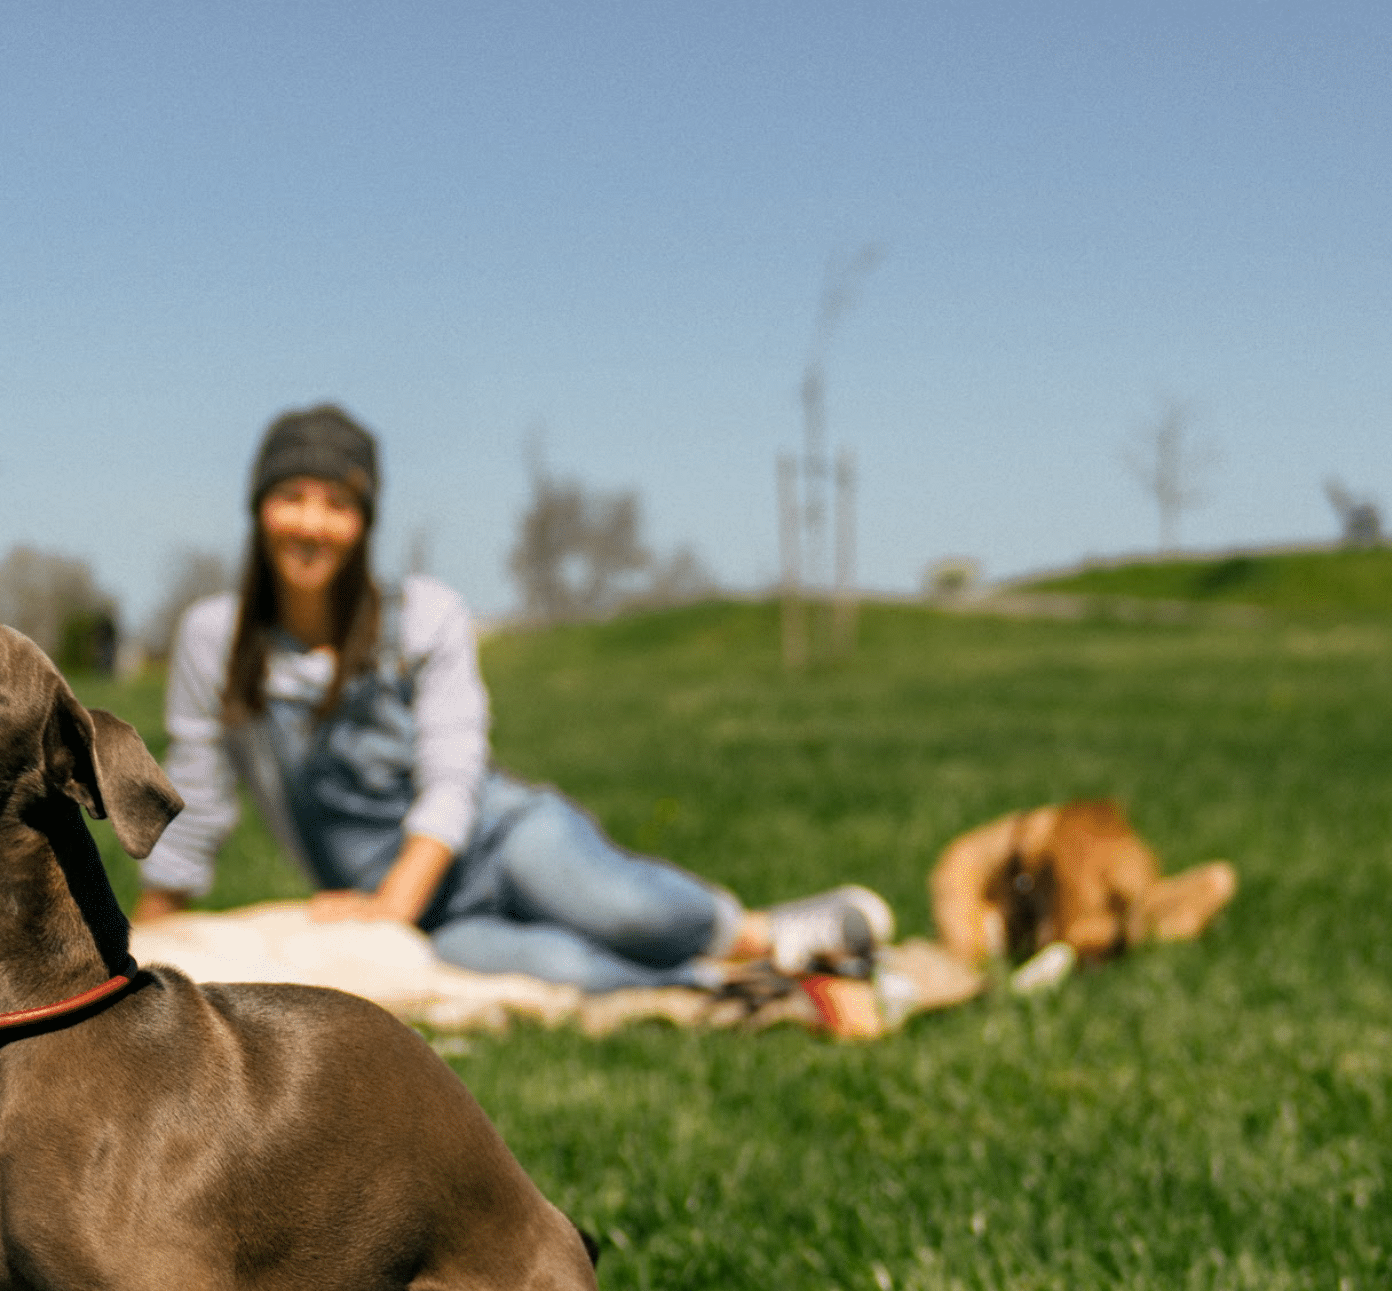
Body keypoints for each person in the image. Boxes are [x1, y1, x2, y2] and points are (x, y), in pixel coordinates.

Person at [131, 404, 890, 992]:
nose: (312, 523)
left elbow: (452, 775)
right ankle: (749, 983)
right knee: (564, 970)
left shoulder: (423, 617)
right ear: (258, 508)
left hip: (500, 841)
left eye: (337, 503)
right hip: (409, 909)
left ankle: (766, 934)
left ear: (364, 522)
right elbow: (197, 799)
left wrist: (393, 907)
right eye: (291, 496)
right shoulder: (214, 640)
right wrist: (147, 943)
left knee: (625, 912)